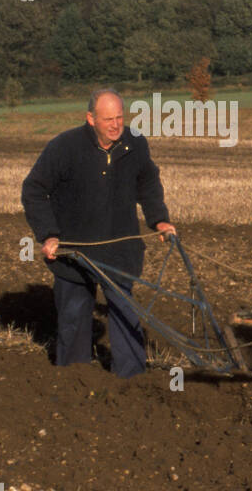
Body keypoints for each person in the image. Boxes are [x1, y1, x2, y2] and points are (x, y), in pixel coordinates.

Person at [21, 88, 176, 378]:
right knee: (73, 318)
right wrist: (49, 234)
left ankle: (131, 381)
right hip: (74, 250)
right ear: (91, 119)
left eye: (120, 117)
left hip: (119, 250)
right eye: (108, 119)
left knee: (125, 315)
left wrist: (159, 220)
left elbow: (148, 183)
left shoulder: (135, 144)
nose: (116, 125)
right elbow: (33, 189)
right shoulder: (65, 148)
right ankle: (73, 380)